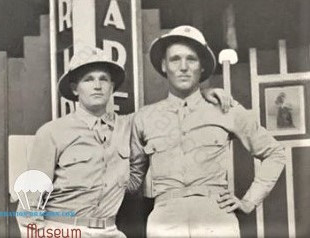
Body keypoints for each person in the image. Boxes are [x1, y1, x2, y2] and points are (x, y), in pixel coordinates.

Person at [16, 49, 233, 238]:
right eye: (88, 79)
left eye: (104, 79)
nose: (97, 85)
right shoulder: (52, 133)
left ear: (112, 87)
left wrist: (203, 93)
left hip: (108, 231)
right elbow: (28, 206)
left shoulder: (130, 125)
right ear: (75, 89)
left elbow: (166, 110)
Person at [128, 25, 286, 237]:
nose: (183, 67)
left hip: (216, 216)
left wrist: (249, 201)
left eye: (191, 59)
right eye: (175, 59)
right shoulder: (144, 118)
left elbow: (274, 153)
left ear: (202, 66)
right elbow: (133, 181)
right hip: (165, 219)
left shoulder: (225, 108)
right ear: (164, 65)